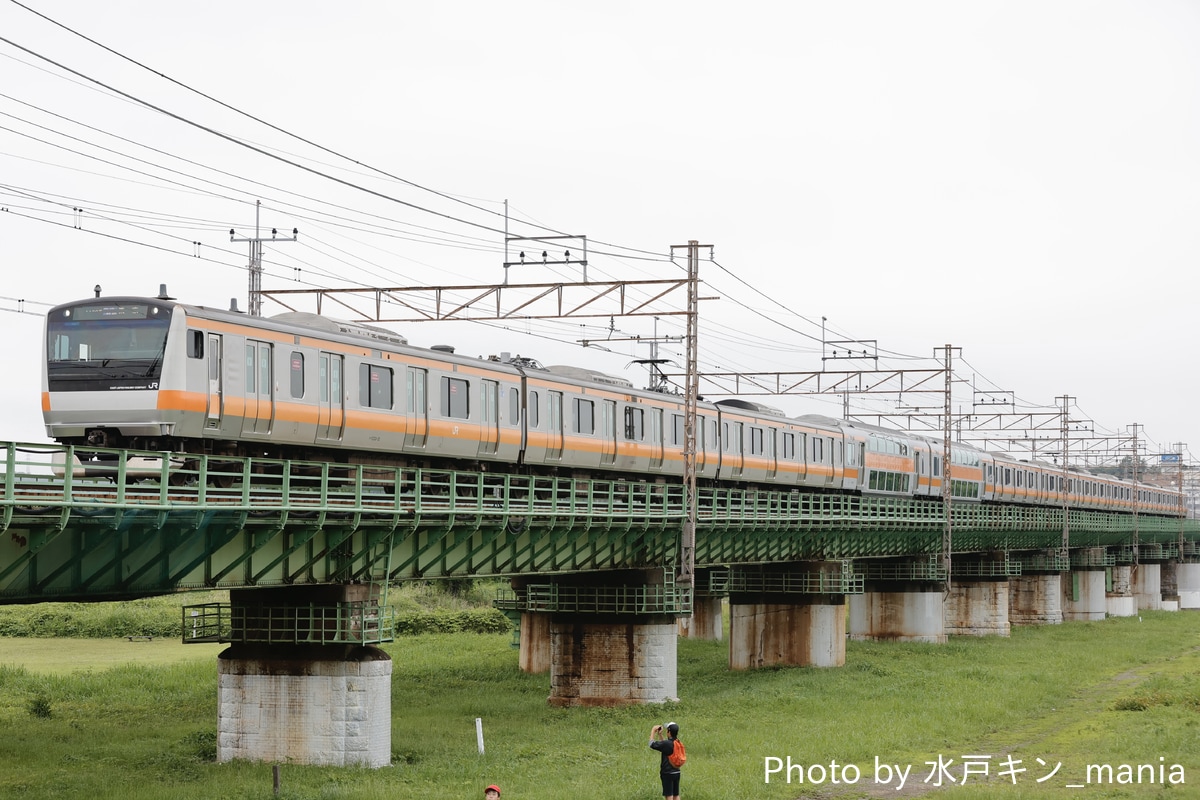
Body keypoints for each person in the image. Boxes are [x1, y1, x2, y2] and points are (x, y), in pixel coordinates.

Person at [649, 721, 681, 800]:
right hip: (677, 772)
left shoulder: (667, 744)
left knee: (669, 795)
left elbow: (651, 744)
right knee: (676, 795)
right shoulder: (677, 743)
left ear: (669, 732)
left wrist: (653, 730)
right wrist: (660, 735)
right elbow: (664, 746)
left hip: (667, 773)